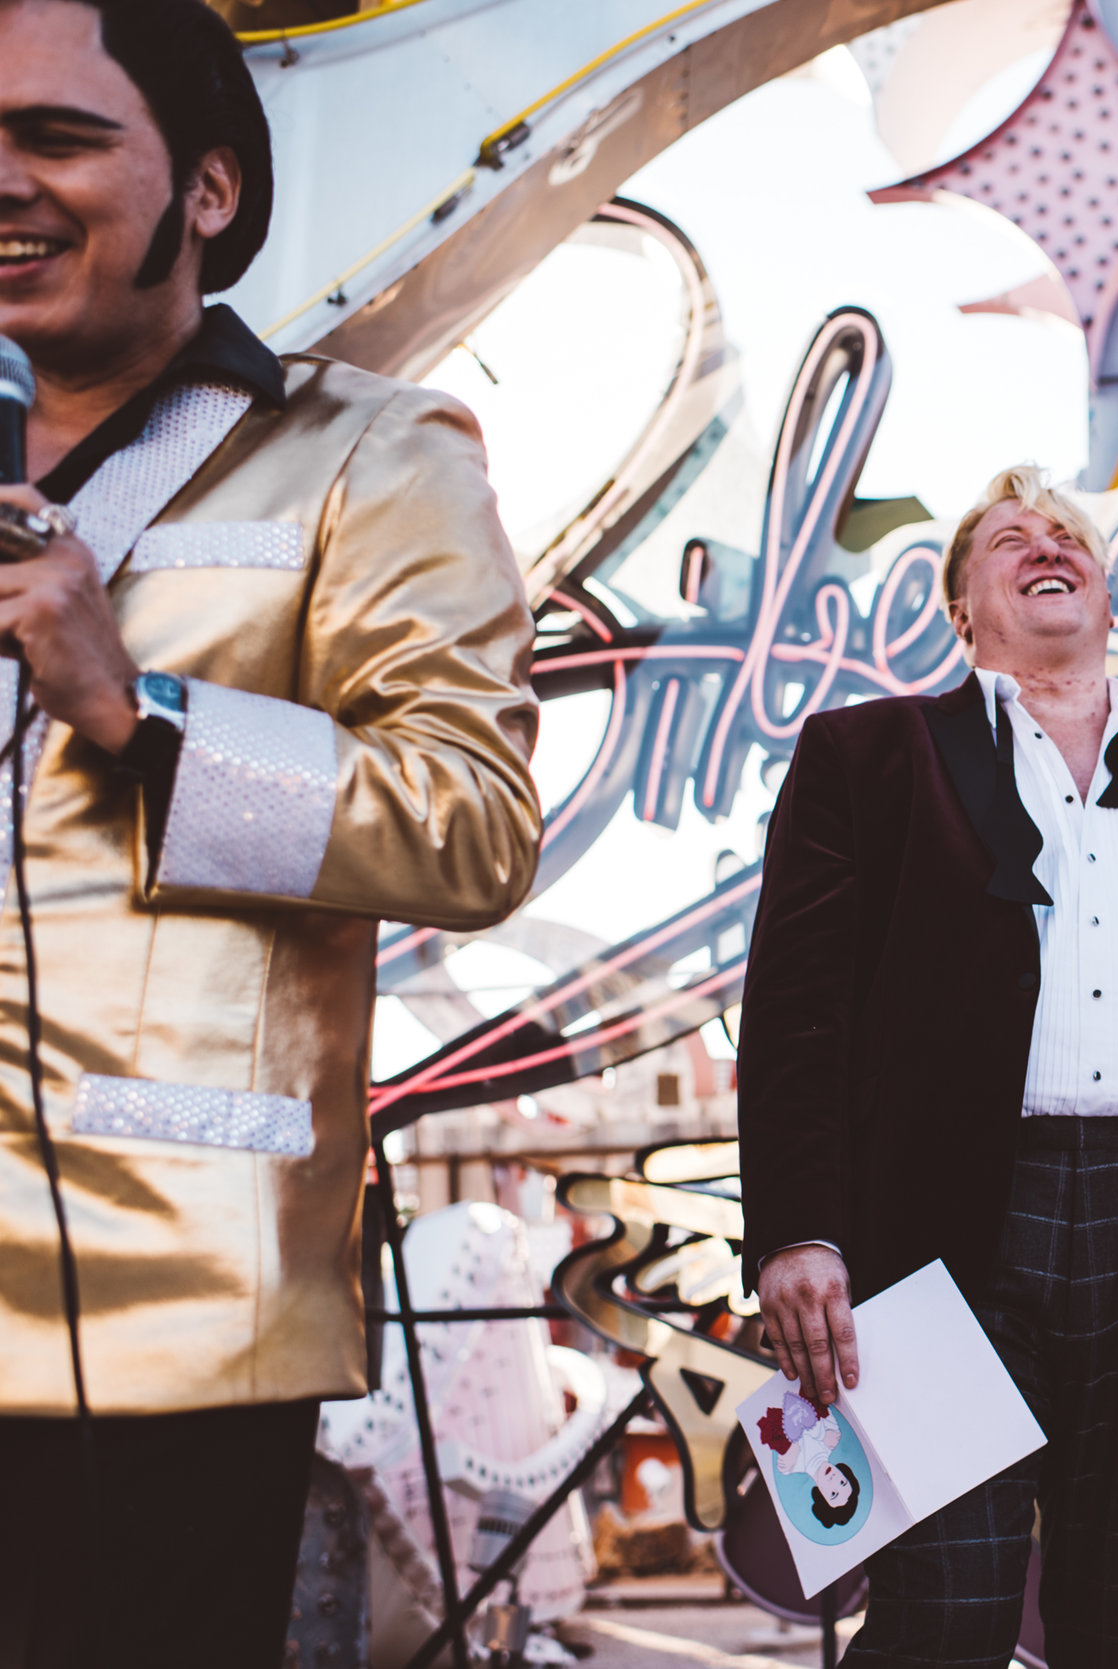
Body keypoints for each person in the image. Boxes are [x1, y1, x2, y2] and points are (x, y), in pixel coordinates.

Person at [0, 2, 542, 1664]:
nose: (3, 184)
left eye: (59, 139)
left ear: (211, 190)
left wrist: (138, 712)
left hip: (156, 1316)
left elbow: (472, 825)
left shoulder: (370, 454)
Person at [739, 464, 1118, 1667]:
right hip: (950, 1229)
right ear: (962, 608)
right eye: (1009, 537)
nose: (1046, 543)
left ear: (1102, 588)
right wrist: (797, 1228)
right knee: (946, 1610)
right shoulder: (870, 753)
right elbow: (795, 1009)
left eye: (1067, 534)